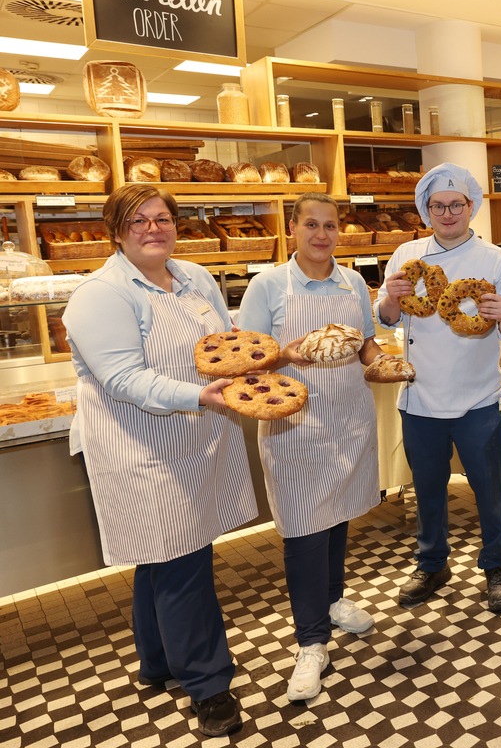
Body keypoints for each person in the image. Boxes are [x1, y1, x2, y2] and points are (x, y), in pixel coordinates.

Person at [62, 184, 255, 737]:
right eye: (139, 220)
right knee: (181, 559)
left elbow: (226, 340)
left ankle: (157, 661)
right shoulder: (101, 294)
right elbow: (122, 379)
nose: (154, 228)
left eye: (163, 218)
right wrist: (198, 396)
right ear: (117, 230)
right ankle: (209, 683)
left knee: (164, 554)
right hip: (140, 444)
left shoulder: (193, 276)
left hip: (195, 440)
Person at [237, 192, 382, 702]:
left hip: (347, 415)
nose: (322, 235)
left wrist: (380, 358)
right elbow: (247, 359)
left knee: (337, 513)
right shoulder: (269, 285)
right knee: (303, 530)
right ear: (293, 227)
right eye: (312, 225)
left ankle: (334, 599)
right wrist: (285, 355)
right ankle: (310, 640)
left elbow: (363, 340)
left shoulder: (353, 283)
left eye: (330, 226)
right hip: (293, 425)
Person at [376, 163, 501, 613]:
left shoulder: (495, 260)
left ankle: (496, 565)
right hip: (420, 395)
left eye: (456, 204)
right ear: (426, 209)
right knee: (428, 488)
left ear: (471, 207)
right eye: (437, 205)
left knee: (488, 488)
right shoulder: (406, 255)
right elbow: (385, 318)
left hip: (478, 395)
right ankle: (432, 562)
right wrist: (390, 299)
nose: (447, 213)